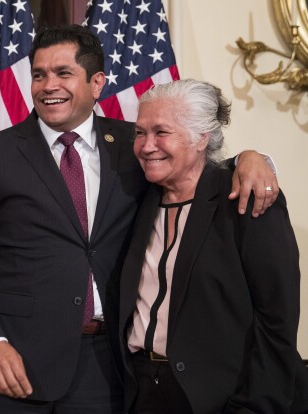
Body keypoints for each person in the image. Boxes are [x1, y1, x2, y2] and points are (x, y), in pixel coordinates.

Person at [0, 24, 279, 413]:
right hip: (14, 365)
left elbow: (191, 165)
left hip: (109, 368)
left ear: (97, 82)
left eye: (63, 73)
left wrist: (252, 159)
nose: (48, 85)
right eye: (38, 74)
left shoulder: (136, 147)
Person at [117, 79, 308, 413]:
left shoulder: (246, 199)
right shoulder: (137, 196)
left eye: (161, 132)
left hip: (222, 398)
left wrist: (255, 405)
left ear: (201, 137)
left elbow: (277, 320)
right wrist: (251, 155)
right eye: (139, 133)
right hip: (141, 390)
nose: (146, 146)